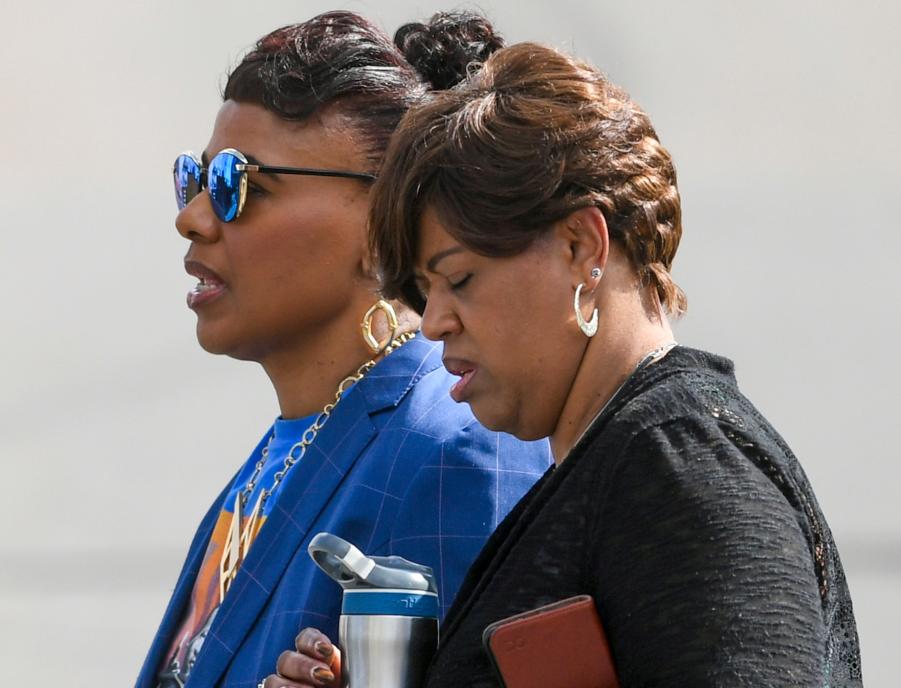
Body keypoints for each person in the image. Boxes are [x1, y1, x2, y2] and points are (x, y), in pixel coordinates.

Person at [271, 42, 863, 686]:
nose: (434, 320)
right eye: (422, 292)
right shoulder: (610, 465)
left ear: (582, 246)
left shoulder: (680, 463)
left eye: (459, 278)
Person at [137, 13, 550, 688]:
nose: (194, 217)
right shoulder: (290, 446)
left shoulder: (455, 452)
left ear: (381, 220)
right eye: (196, 177)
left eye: (240, 185)